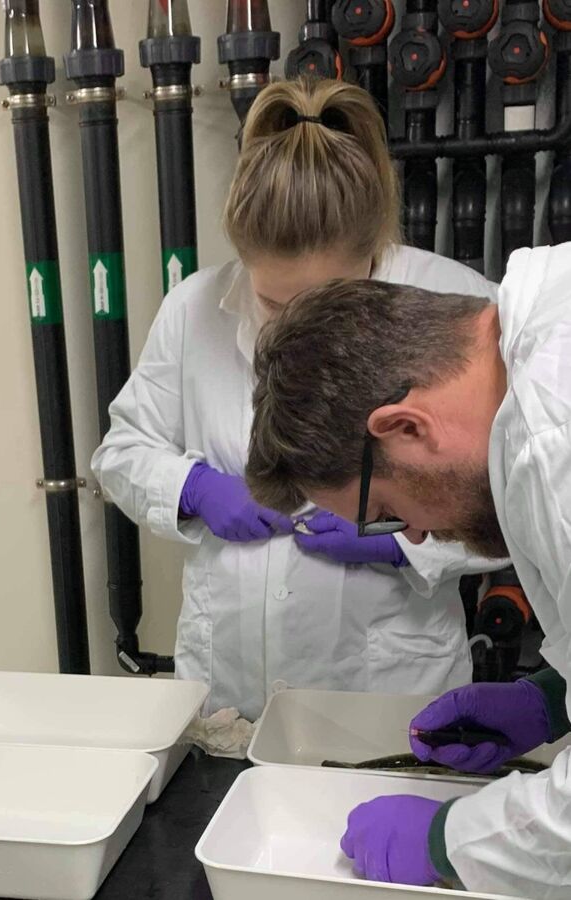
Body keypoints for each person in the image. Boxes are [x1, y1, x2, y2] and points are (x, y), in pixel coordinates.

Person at [91, 77, 503, 722]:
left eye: (325, 303)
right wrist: (193, 487)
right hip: (229, 677)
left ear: (373, 256)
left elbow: (519, 500)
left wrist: (404, 539)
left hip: (381, 680)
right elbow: (122, 451)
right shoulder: (193, 306)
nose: (291, 332)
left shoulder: (456, 308)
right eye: (275, 302)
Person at [244, 247, 571, 898]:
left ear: (404, 427)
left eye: (387, 511)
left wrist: (448, 841)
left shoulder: (553, 449)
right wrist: (553, 697)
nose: (416, 536)